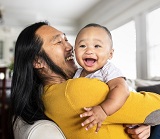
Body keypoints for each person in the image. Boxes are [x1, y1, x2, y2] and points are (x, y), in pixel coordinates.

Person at [11, 21, 160, 139]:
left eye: (67, 39)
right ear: (37, 61)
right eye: (58, 42)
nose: (70, 47)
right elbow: (155, 109)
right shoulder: (76, 90)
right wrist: (149, 121)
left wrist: (145, 122)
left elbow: (144, 114)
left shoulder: (47, 96)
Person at [74, 23, 129, 132]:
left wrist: (103, 110)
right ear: (75, 51)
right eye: (82, 46)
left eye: (97, 46)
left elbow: (122, 89)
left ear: (110, 54)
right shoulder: (76, 74)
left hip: (131, 111)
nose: (89, 51)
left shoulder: (107, 69)